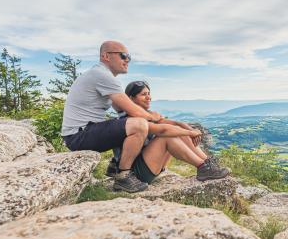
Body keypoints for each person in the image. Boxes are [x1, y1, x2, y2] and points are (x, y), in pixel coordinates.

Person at [61, 40, 227, 193]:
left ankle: (207, 164)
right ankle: (124, 176)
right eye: (123, 55)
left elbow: (124, 109)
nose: (127, 60)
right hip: (80, 134)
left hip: (86, 131)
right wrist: (154, 118)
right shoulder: (101, 75)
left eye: (129, 57)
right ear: (105, 56)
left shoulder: (101, 77)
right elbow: (140, 117)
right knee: (145, 126)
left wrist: (182, 126)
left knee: (170, 130)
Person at [107, 80, 229, 184]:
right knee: (167, 136)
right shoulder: (130, 119)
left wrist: (188, 129)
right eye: (143, 94)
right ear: (131, 99)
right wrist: (189, 133)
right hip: (135, 173)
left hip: (150, 165)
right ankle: (202, 167)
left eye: (149, 93)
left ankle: (208, 163)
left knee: (179, 131)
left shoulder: (148, 115)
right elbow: (164, 130)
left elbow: (174, 124)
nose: (149, 97)